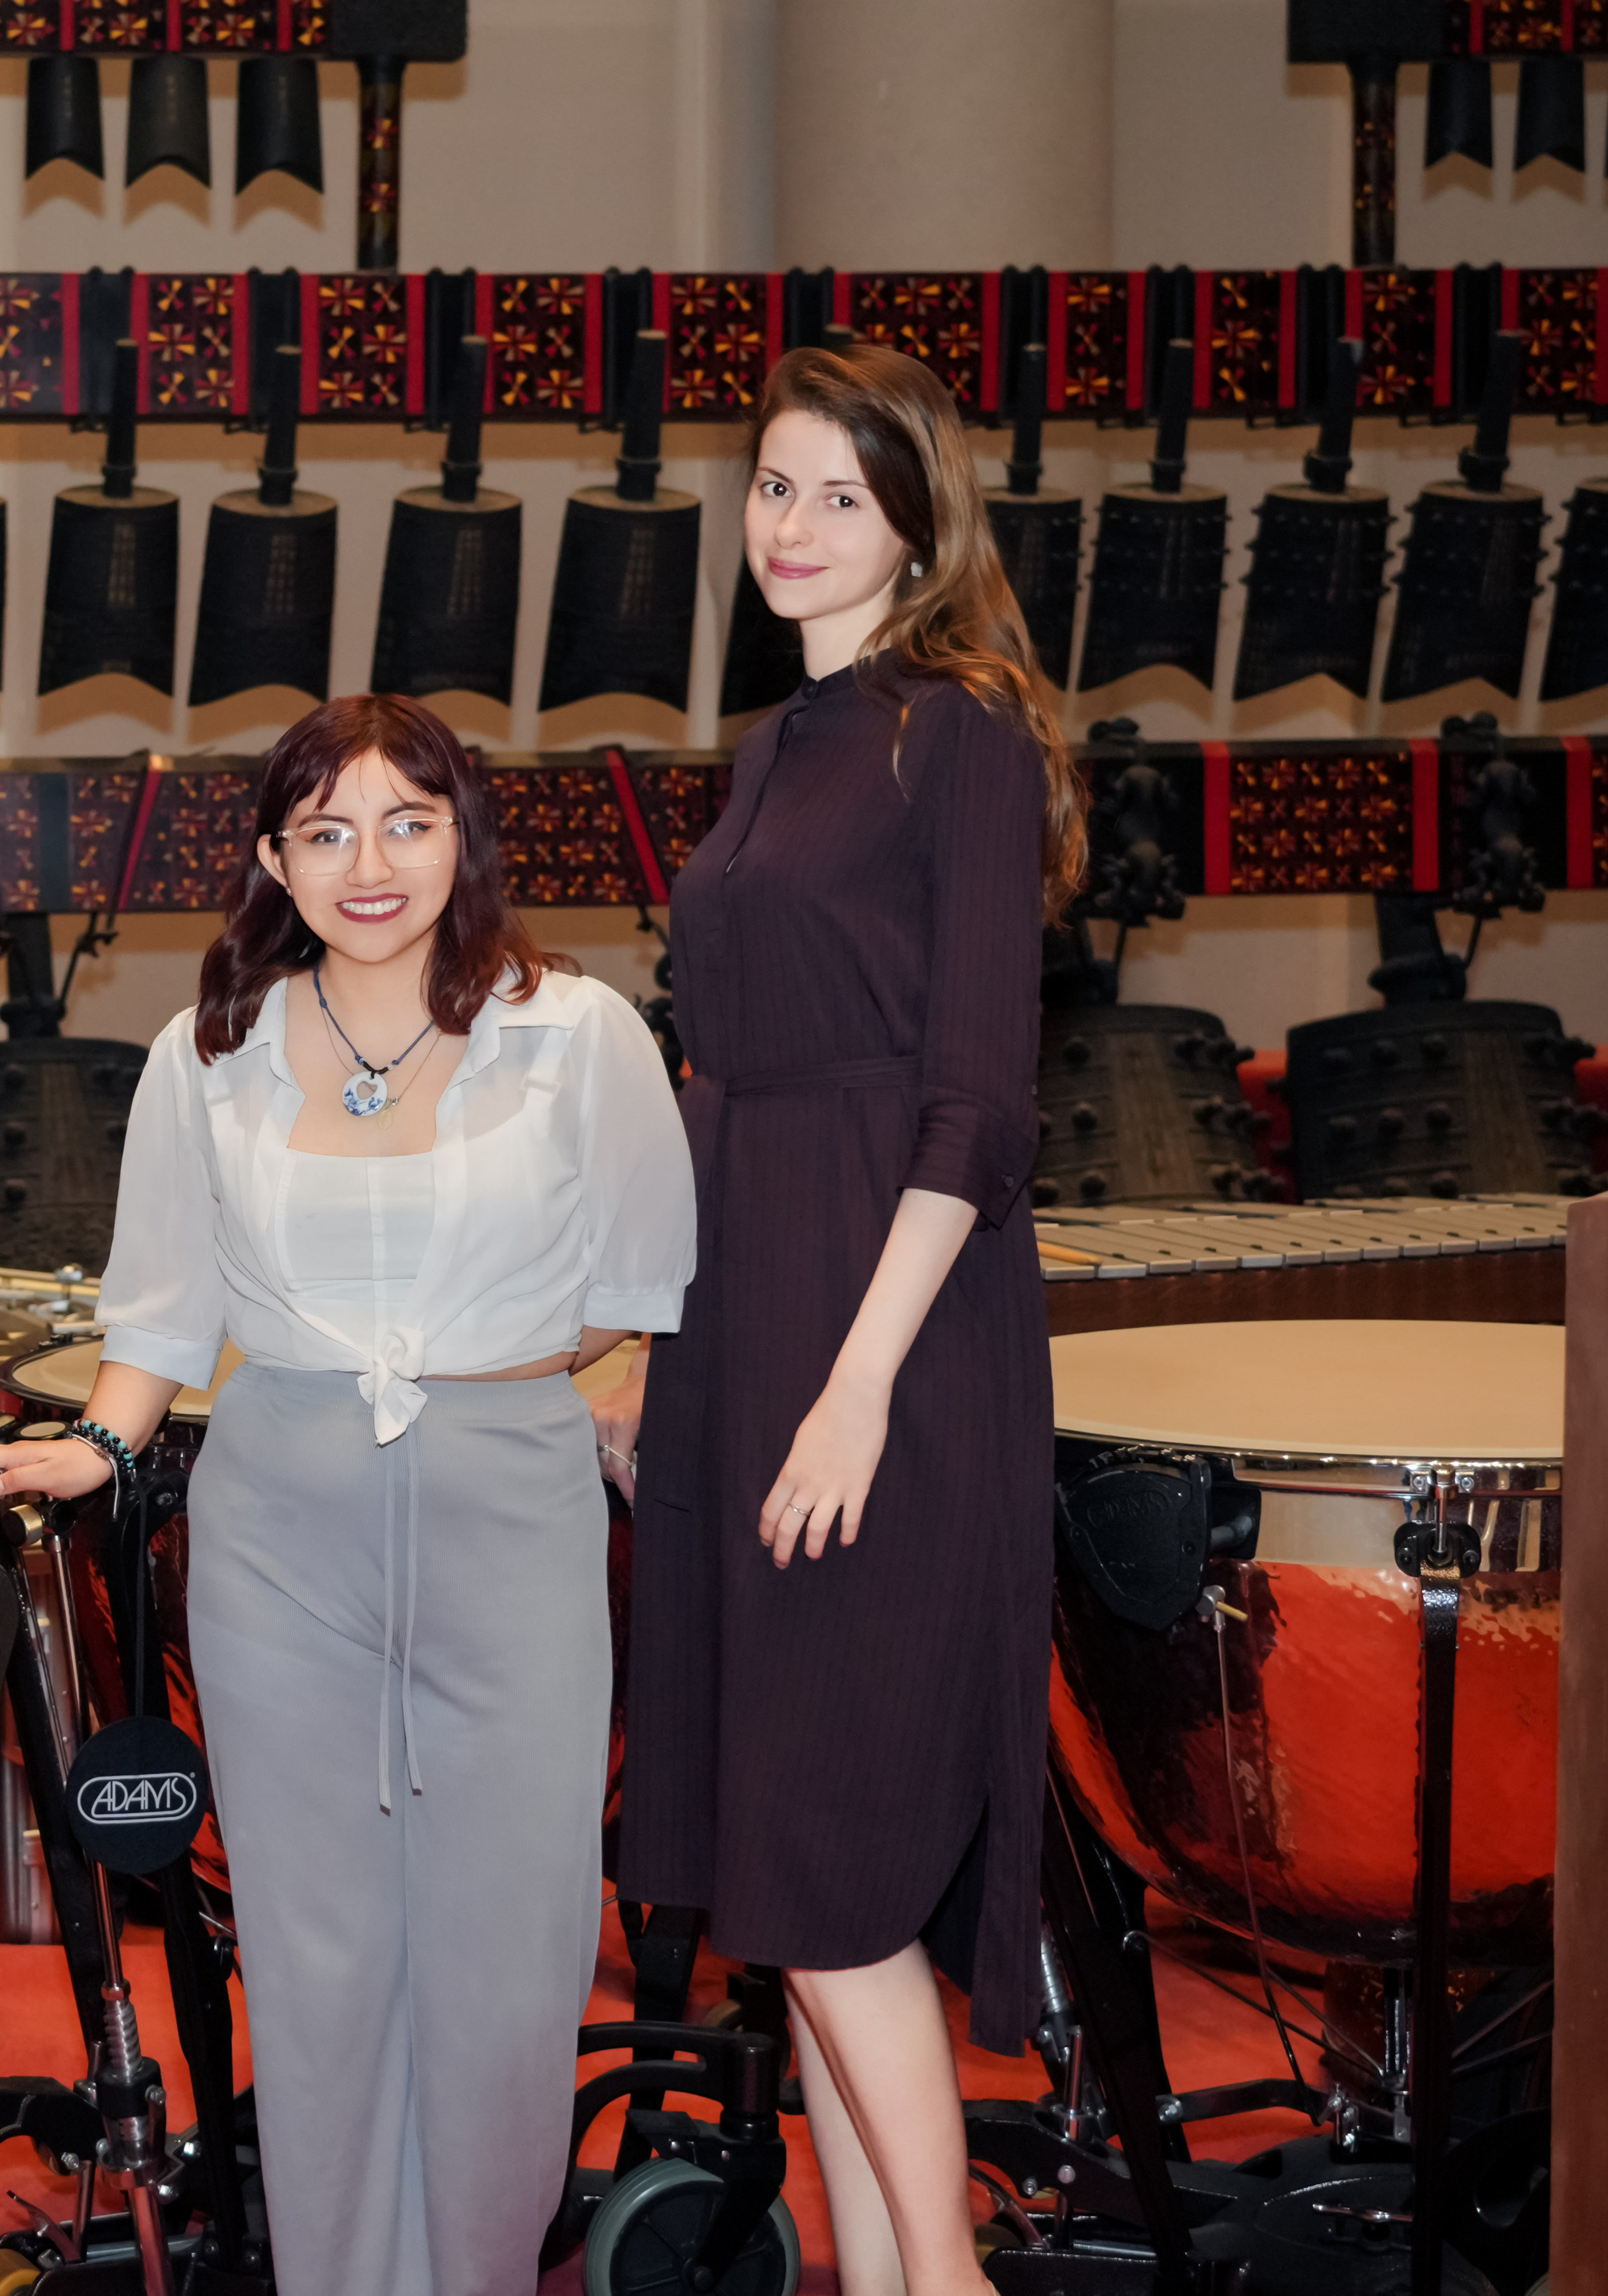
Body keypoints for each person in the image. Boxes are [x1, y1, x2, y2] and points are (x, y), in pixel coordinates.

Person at [0, 695, 696, 2295]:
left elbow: (641, 1295)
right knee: (316, 1958)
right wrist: (97, 1448)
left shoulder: (579, 1036)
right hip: (278, 1527)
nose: (371, 864)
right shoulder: (208, 1056)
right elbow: (157, 1317)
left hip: (512, 1512)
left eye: (409, 823)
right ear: (275, 861)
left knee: (512, 1958)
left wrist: (547, 1383)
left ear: (464, 837)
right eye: (327, 832)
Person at [600, 342, 1084, 2296]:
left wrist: (859, 1386)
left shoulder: (954, 732)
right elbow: (716, 1070)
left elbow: (980, 1103)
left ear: (916, 527)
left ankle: (946, 2282)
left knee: (832, 1870)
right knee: (790, 1883)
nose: (794, 528)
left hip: (890, 1334)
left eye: (842, 498)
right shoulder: (774, 746)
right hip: (749, 1319)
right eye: (776, 487)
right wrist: (654, 1350)